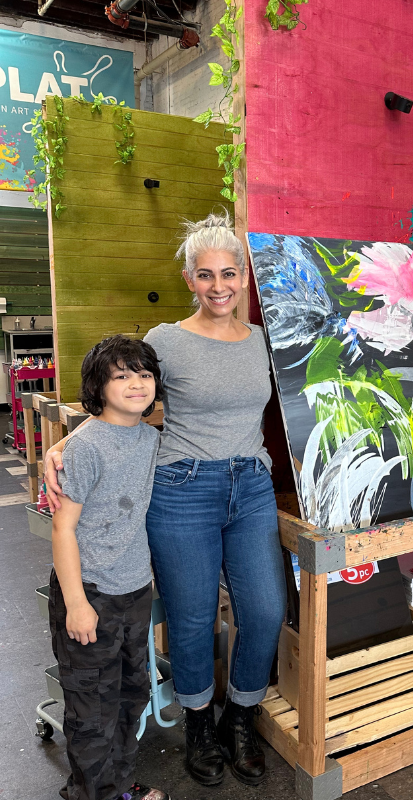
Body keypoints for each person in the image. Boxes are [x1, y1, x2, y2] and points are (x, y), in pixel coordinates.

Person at [47, 211, 286, 788]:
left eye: (229, 273)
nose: (219, 286)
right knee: (192, 616)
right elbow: (119, 396)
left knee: (265, 610)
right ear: (189, 280)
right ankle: (201, 722)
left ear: (244, 276)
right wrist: (66, 448)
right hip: (182, 488)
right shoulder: (165, 341)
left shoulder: (263, 343)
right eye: (206, 275)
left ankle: (242, 716)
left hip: (251, 486)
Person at [49, 335, 168, 800]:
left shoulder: (150, 438)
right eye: (121, 375)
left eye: (144, 374)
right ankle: (94, 792)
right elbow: (63, 530)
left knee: (131, 696)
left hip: (134, 590)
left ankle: (116, 785)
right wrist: (76, 604)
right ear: (98, 386)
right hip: (91, 593)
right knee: (92, 710)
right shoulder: (85, 446)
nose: (136, 384)